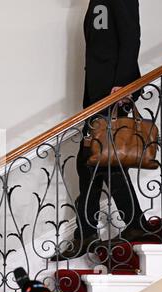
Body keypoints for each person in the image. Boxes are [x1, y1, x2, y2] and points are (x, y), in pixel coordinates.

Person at [60, 0, 146, 259]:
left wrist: (123, 84)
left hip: (111, 95)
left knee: (105, 161)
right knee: (88, 164)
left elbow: (132, 37)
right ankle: (90, 232)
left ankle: (131, 225)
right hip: (97, 97)